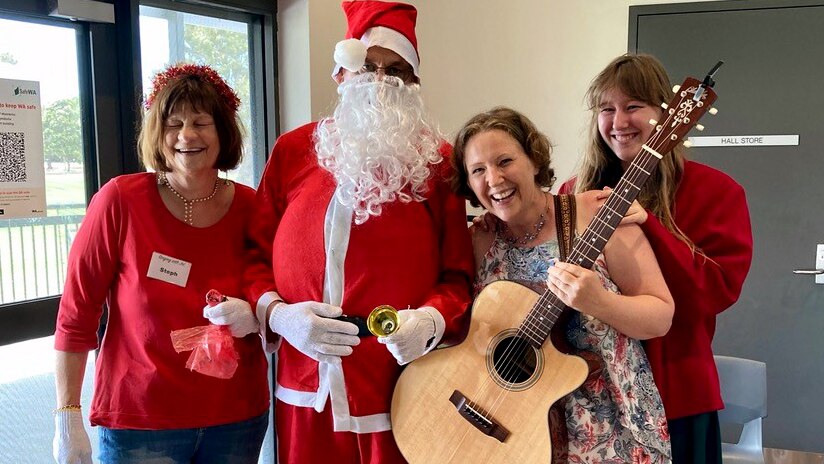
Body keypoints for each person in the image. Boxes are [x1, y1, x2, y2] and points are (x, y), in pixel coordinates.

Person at [244, 1, 474, 463]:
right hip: (305, 390)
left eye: (396, 70)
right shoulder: (293, 151)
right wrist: (280, 316)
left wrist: (430, 321)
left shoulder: (438, 163)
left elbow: (458, 277)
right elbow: (254, 256)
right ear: (341, 73)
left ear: (414, 83)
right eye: (368, 66)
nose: (381, 81)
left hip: (401, 392)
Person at [53, 63, 269, 464]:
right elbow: (76, 313)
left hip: (236, 417)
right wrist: (67, 415)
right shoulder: (120, 201)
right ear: (158, 132)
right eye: (174, 124)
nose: (187, 135)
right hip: (141, 420)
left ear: (223, 132)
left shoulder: (251, 207)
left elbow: (278, 291)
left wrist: (256, 315)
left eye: (201, 122)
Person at [559, 54, 753, 463]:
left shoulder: (718, 191)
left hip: (674, 389)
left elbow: (715, 292)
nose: (618, 122)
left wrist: (650, 225)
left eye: (633, 106)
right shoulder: (574, 193)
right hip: (588, 394)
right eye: (606, 109)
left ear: (666, 112)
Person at [451, 106, 674, 462]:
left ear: (534, 161)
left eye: (505, 161)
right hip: (515, 431)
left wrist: (600, 302)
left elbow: (660, 317)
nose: (493, 179)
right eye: (478, 170)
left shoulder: (598, 214)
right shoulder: (480, 239)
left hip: (610, 430)